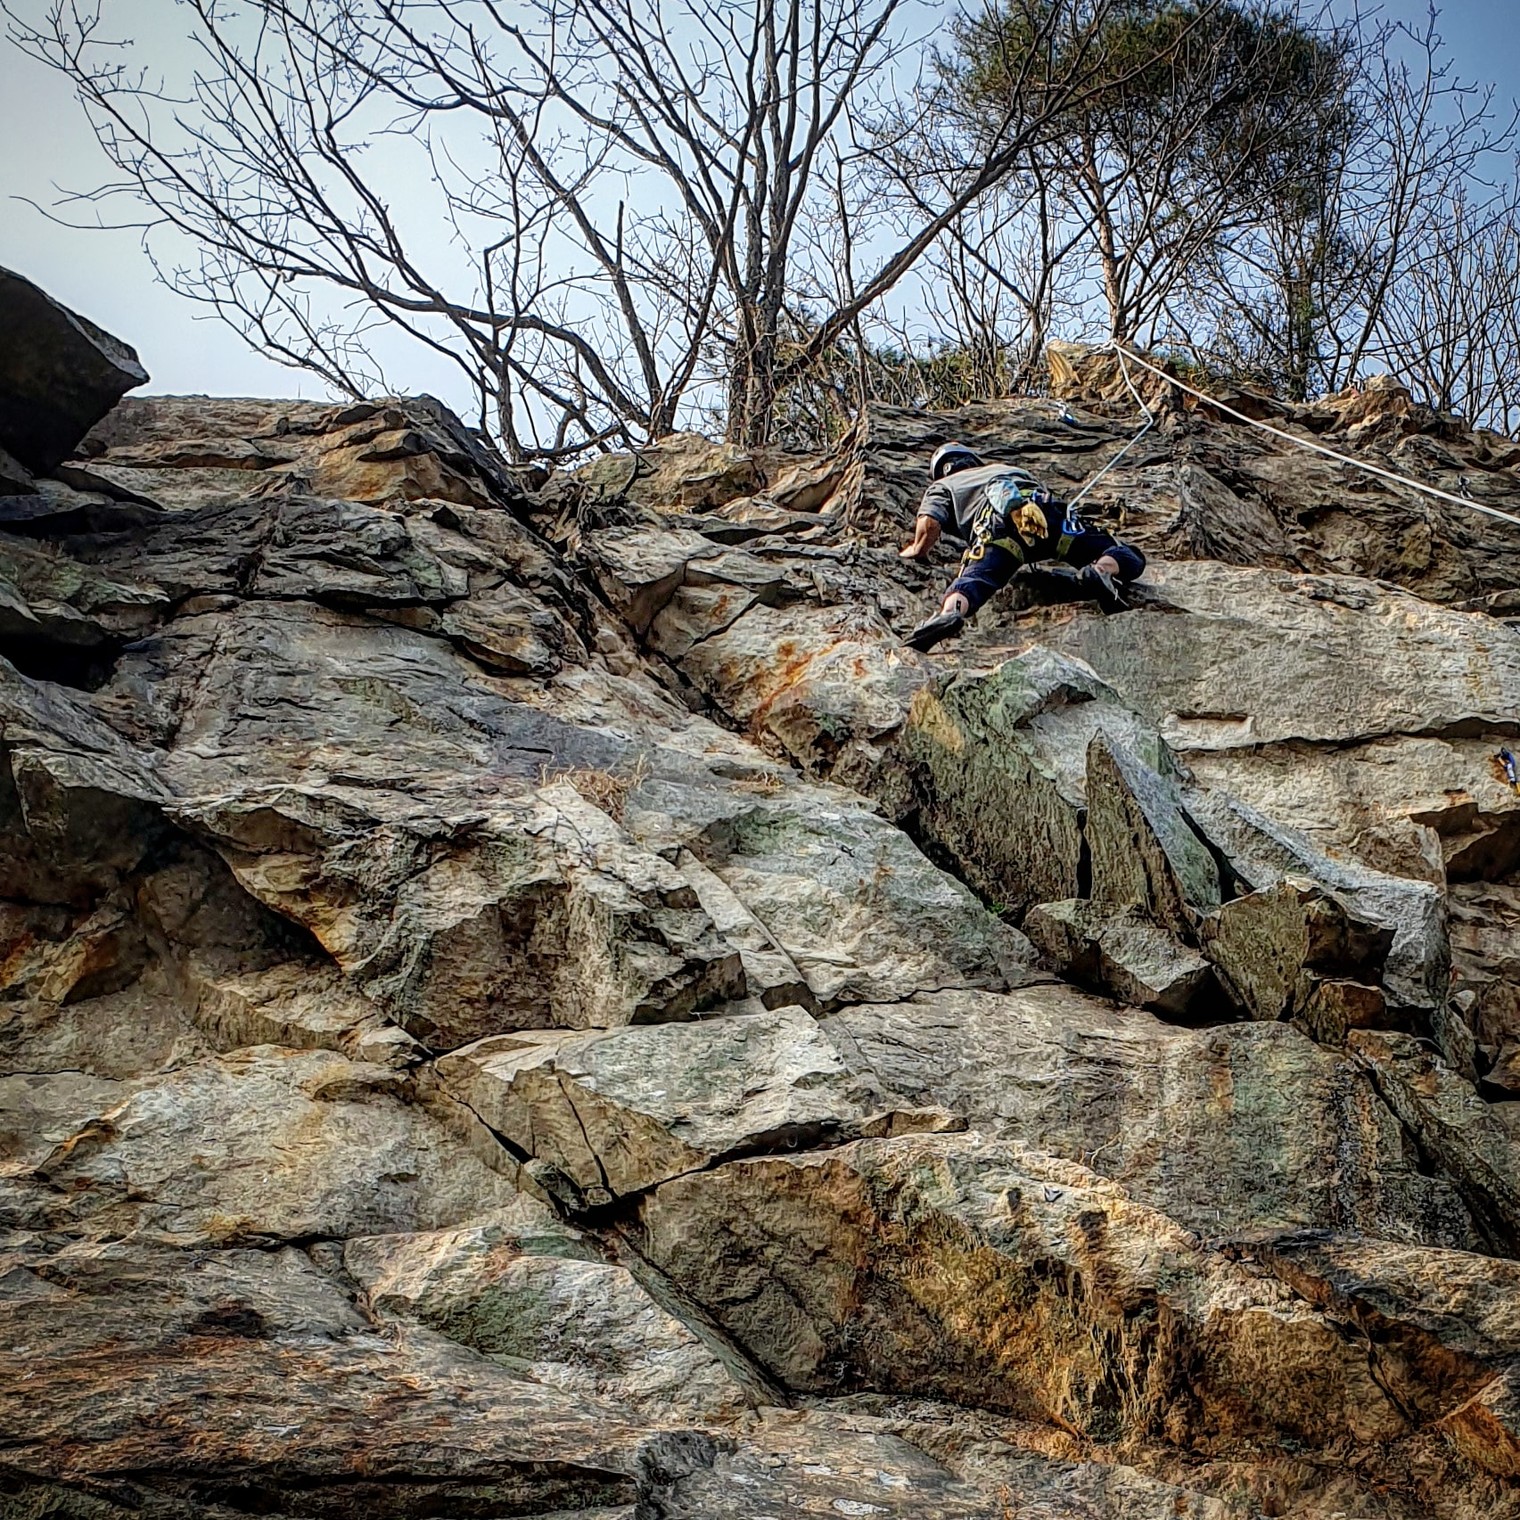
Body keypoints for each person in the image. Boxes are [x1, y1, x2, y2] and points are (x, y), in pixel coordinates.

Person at [900, 442, 1145, 652]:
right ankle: (1101, 570)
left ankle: (951, 613)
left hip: (998, 528)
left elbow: (930, 523)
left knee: (976, 578)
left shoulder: (945, 484)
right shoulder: (1008, 469)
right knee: (1124, 553)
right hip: (1046, 515)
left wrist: (917, 549)